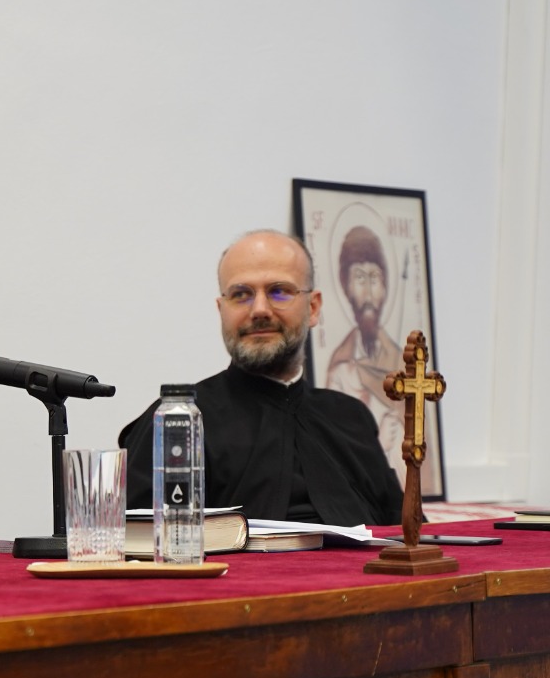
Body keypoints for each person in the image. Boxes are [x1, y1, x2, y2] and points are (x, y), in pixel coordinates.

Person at [118, 229, 402, 525]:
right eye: (241, 295)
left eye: (279, 291)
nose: (260, 310)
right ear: (221, 310)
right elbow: (139, 542)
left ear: (313, 307)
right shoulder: (177, 422)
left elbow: (402, 533)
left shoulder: (352, 418)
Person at [324, 225, 406, 471]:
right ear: (346, 288)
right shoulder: (340, 371)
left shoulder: (404, 364)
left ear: (385, 287)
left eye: (375, 278)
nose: (369, 292)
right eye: (360, 278)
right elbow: (335, 456)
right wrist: (379, 445)